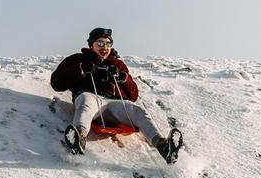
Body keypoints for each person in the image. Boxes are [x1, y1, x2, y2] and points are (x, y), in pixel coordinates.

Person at [50, 27, 183, 163]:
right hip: (91, 96)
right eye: (100, 43)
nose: (104, 47)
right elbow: (56, 83)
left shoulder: (117, 64)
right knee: (85, 102)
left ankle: (162, 146)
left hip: (116, 103)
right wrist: (81, 69)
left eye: (108, 44)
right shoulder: (78, 59)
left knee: (138, 111)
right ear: (91, 45)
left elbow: (133, 95)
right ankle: (79, 137)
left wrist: (122, 78)